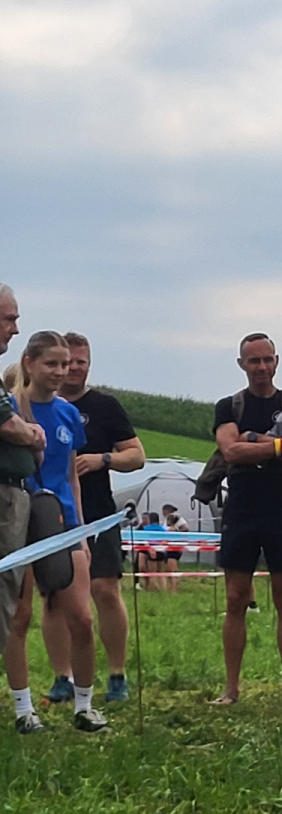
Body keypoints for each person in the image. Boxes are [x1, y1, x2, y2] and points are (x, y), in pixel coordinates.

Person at [7, 332, 108, 732]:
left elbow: (71, 475)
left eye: (65, 364)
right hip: (19, 520)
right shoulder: (10, 409)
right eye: (51, 363)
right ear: (29, 364)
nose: (61, 371)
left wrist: (80, 529)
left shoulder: (68, 414)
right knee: (19, 617)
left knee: (81, 618)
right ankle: (24, 710)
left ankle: (84, 706)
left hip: (64, 522)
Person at [39, 333, 146, 704]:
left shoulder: (104, 406)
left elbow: (137, 456)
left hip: (99, 512)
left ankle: (117, 675)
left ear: (89, 365)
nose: (72, 369)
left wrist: (104, 459)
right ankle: (62, 677)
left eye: (80, 363)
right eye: (65, 362)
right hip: (49, 513)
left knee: (104, 590)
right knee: (54, 598)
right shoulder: (37, 405)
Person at [211, 332, 282, 705]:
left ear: (276, 361)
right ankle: (231, 688)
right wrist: (281, 445)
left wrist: (253, 440)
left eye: (267, 359)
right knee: (235, 597)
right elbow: (230, 451)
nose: (261, 367)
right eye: (253, 361)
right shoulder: (228, 406)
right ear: (242, 364)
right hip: (241, 507)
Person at [0, 286, 45, 681]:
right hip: (4, 497)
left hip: (13, 493)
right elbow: (8, 426)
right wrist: (32, 434)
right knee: (3, 589)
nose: (15, 329)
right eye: (9, 319)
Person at [162, 502, 190, 593]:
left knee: (172, 569)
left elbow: (185, 529)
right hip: (169, 546)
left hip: (175, 546)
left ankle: (174, 590)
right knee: (168, 569)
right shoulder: (166, 519)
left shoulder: (176, 517)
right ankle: (172, 587)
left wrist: (176, 531)